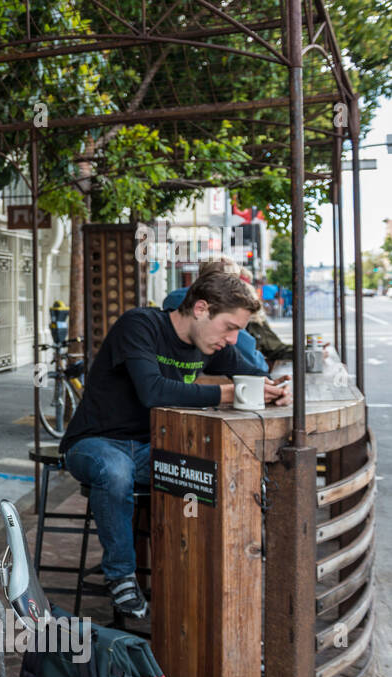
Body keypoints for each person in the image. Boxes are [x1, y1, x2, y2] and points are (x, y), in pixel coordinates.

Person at [60, 271, 291, 619]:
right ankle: (122, 576)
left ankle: (200, 570)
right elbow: (152, 392)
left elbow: (250, 375)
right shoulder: (140, 325)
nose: (232, 339)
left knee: (205, 468)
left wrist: (272, 388)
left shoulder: (210, 344)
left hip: (149, 448)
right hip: (93, 442)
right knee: (115, 471)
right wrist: (227, 394)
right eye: (230, 327)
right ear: (201, 308)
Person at [162, 257, 267, 372]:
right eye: (233, 283)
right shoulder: (222, 318)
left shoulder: (175, 300)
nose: (232, 339)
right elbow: (254, 361)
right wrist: (224, 390)